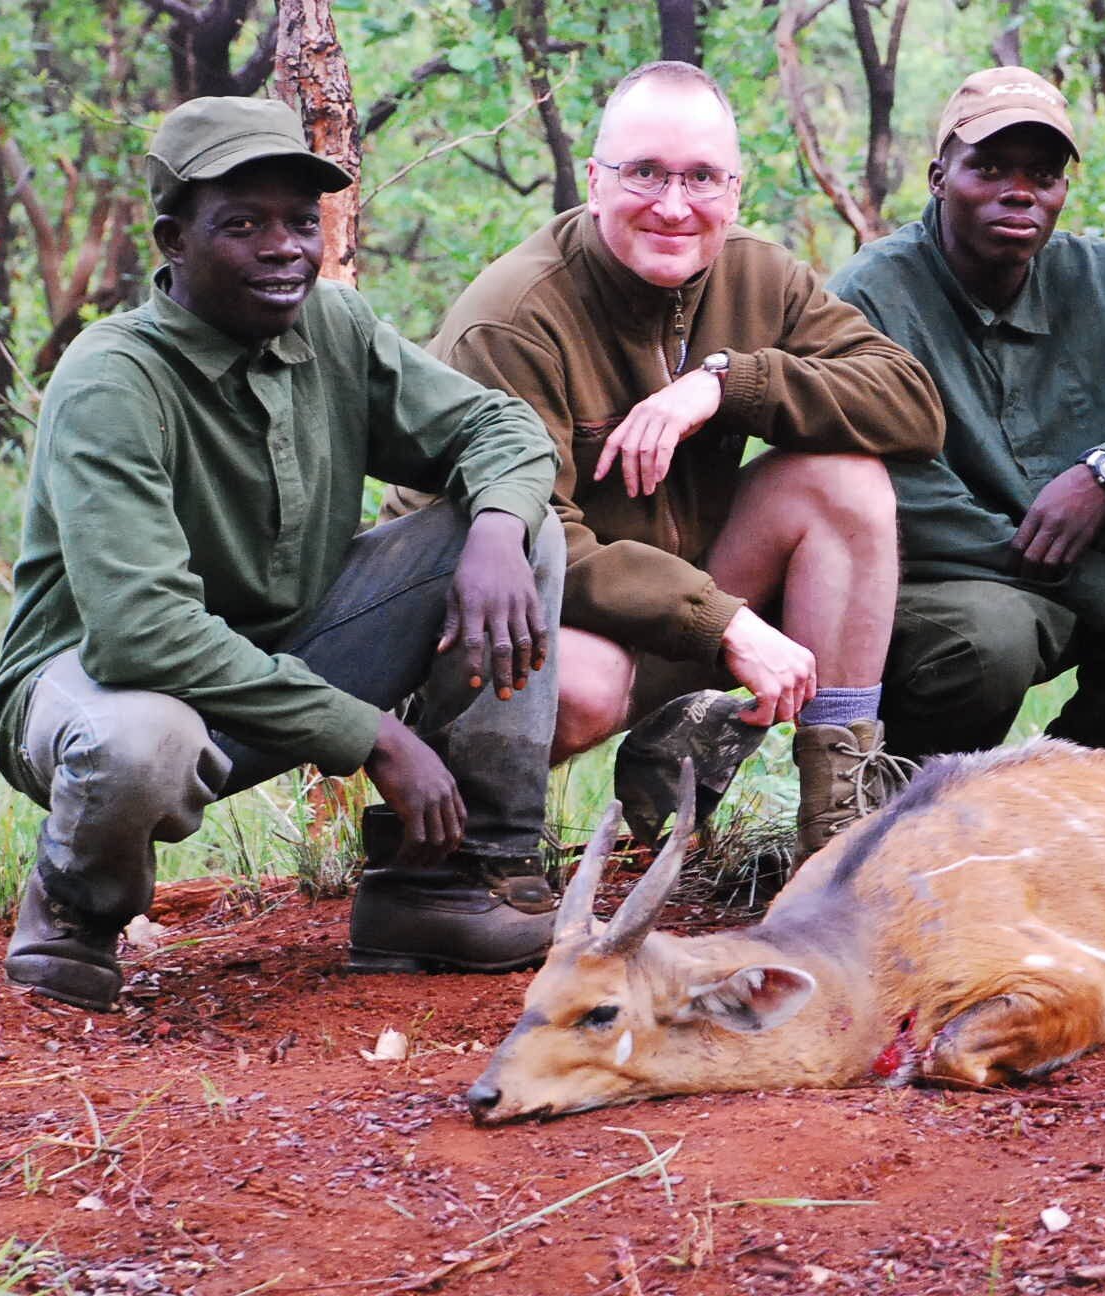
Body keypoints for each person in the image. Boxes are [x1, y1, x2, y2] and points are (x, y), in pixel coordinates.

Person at [0, 97, 566, 1011]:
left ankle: (451, 877)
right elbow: (142, 635)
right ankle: (75, 907)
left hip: (291, 650)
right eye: (242, 224)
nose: (285, 247)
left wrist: (496, 530)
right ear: (173, 239)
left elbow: (501, 427)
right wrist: (373, 732)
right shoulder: (112, 379)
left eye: (302, 221)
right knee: (138, 743)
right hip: (105, 688)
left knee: (518, 530)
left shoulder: (333, 326)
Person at [391, 61, 945, 857]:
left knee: (843, 482)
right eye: (644, 173)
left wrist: (727, 384)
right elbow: (538, 540)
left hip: (668, 607)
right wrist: (723, 625)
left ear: (736, 190)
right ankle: (463, 837)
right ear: (593, 179)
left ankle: (837, 825)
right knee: (576, 687)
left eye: (701, 178)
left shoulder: (759, 274)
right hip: (520, 622)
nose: (674, 206)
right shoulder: (512, 318)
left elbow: (911, 405)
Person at [830, 68, 1105, 760]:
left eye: (1043, 174)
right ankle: (904, 806)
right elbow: (903, 500)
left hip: (1087, 548)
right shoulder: (871, 296)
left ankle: (1076, 790)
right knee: (991, 642)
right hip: (950, 578)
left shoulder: (1102, 277)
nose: (1020, 192)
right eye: (989, 167)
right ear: (939, 176)